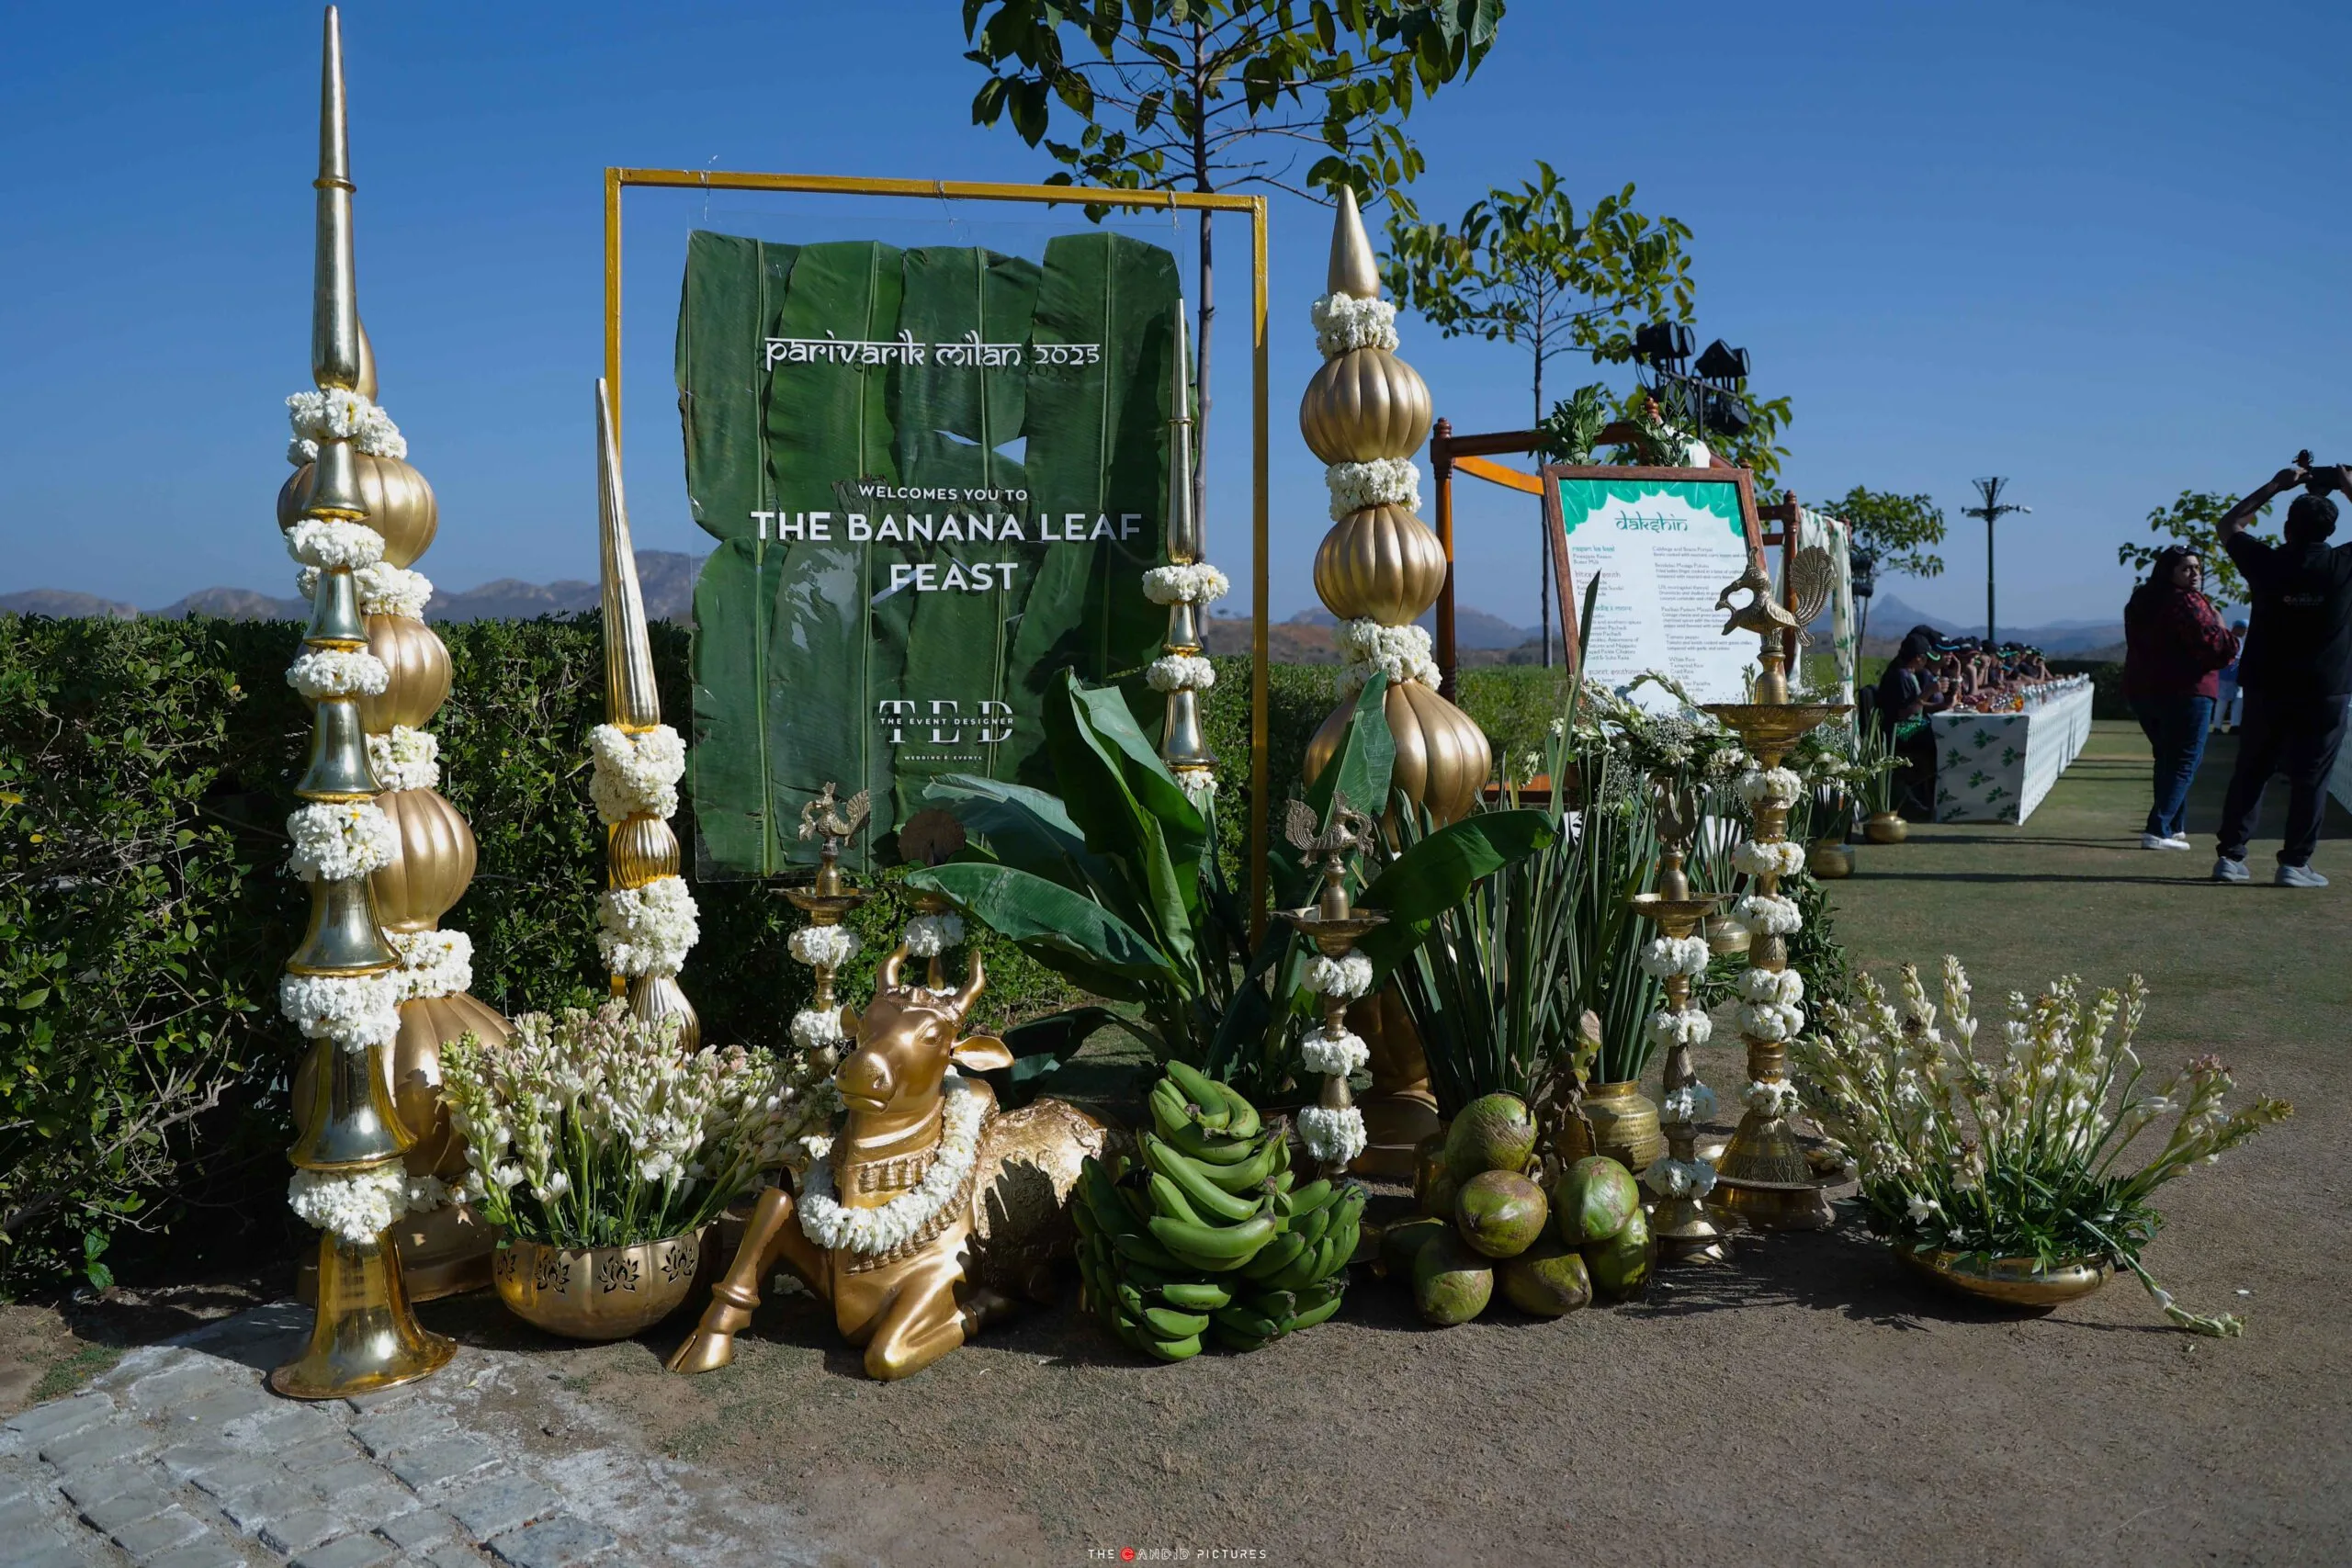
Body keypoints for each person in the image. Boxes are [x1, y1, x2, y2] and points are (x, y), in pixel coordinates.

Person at [2210, 459, 2352, 886]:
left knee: (2252, 768)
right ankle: (2295, 863)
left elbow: (2228, 525)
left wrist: (2275, 485)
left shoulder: (2266, 562)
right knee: (2312, 778)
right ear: (2331, 531)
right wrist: (2347, 484)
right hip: (2325, 688)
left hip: (2267, 684)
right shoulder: (2343, 565)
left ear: (2287, 527)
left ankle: (2231, 858)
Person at [2121, 547, 2238, 850]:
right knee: (2184, 760)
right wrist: (2224, 629)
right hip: (2188, 690)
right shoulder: (2187, 601)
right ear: (2169, 571)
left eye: (2197, 568)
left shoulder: (2141, 600)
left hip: (2145, 690)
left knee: (2167, 758)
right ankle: (2159, 829)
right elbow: (2213, 644)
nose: (2195, 574)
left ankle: (2173, 825)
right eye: (2187, 569)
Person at [2213, 622, 2247, 731]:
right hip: (2228, 676)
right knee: (2225, 701)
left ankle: (2231, 725)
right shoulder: (2233, 640)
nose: (2244, 632)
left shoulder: (2233, 639)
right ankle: (2222, 726)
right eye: (2244, 630)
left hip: (2230, 675)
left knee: (2233, 700)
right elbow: (2235, 659)